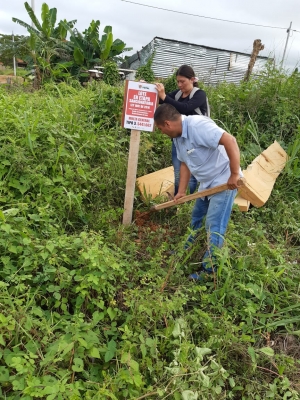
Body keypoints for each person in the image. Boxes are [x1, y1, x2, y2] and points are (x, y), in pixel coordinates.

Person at [154, 103, 242, 280]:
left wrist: (234, 174)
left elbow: (230, 140)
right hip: (206, 183)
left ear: (167, 124)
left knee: (214, 225)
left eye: (161, 129)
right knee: (196, 218)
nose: (162, 133)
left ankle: (210, 271)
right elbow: (185, 163)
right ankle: (186, 250)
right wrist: (182, 191)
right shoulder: (178, 137)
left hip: (224, 181)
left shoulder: (197, 126)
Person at [155, 65, 208, 196]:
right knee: (178, 171)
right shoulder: (178, 94)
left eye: (182, 81)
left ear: (192, 80)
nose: (179, 85)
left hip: (197, 140)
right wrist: (146, 87)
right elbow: (160, 99)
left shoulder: (199, 94)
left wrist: (165, 97)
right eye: (177, 81)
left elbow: (185, 108)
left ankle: (187, 200)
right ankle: (178, 199)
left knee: (193, 172)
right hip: (178, 139)